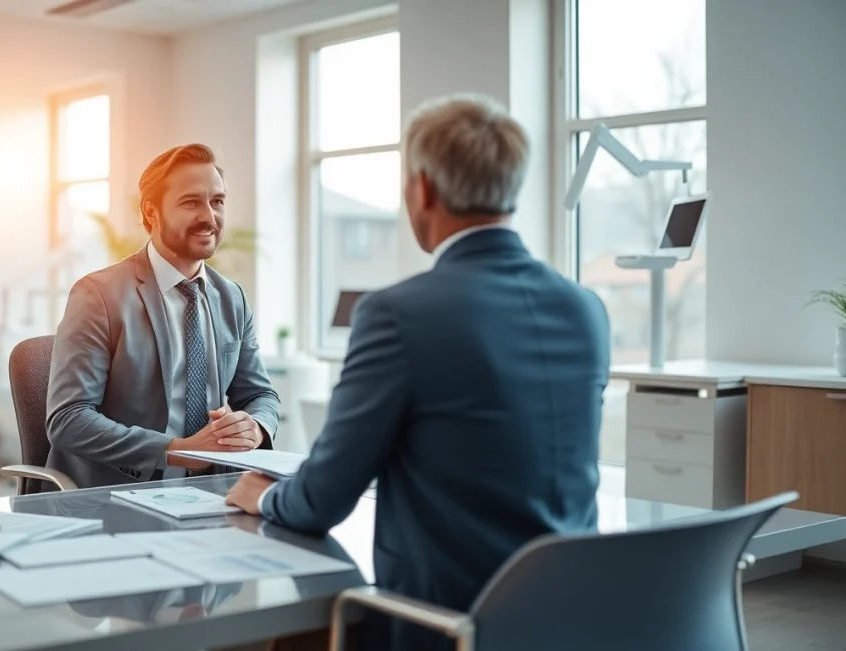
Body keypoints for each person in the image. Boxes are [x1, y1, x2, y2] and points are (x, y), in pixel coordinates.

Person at [226, 94, 611, 651]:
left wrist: (259, 495)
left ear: (422, 189)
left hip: (445, 626)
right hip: (566, 621)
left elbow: (320, 501)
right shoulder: (585, 308)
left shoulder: (397, 313)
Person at [45, 143, 281, 488]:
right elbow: (69, 419)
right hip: (119, 492)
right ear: (152, 213)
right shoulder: (98, 295)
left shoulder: (231, 297)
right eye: (191, 202)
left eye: (217, 201)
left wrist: (256, 426)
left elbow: (262, 395)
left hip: (214, 492)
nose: (209, 216)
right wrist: (174, 450)